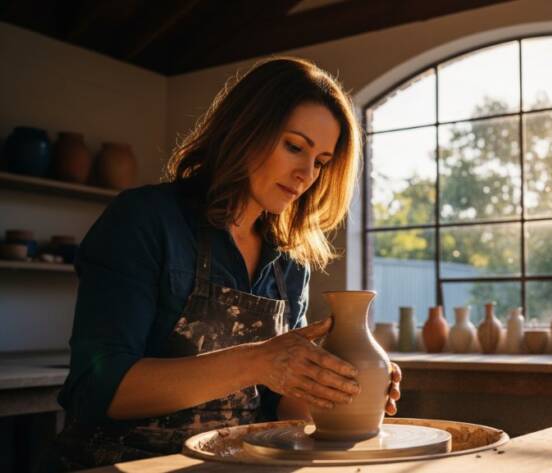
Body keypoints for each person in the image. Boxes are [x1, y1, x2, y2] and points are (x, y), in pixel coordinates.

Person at [44, 56, 401, 470]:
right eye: (294, 146)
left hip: (231, 464)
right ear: (245, 130)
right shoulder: (145, 219)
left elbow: (278, 407)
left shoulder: (290, 264)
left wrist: (336, 387)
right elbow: (96, 390)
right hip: (117, 462)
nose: (306, 174)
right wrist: (258, 360)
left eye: (321, 162)